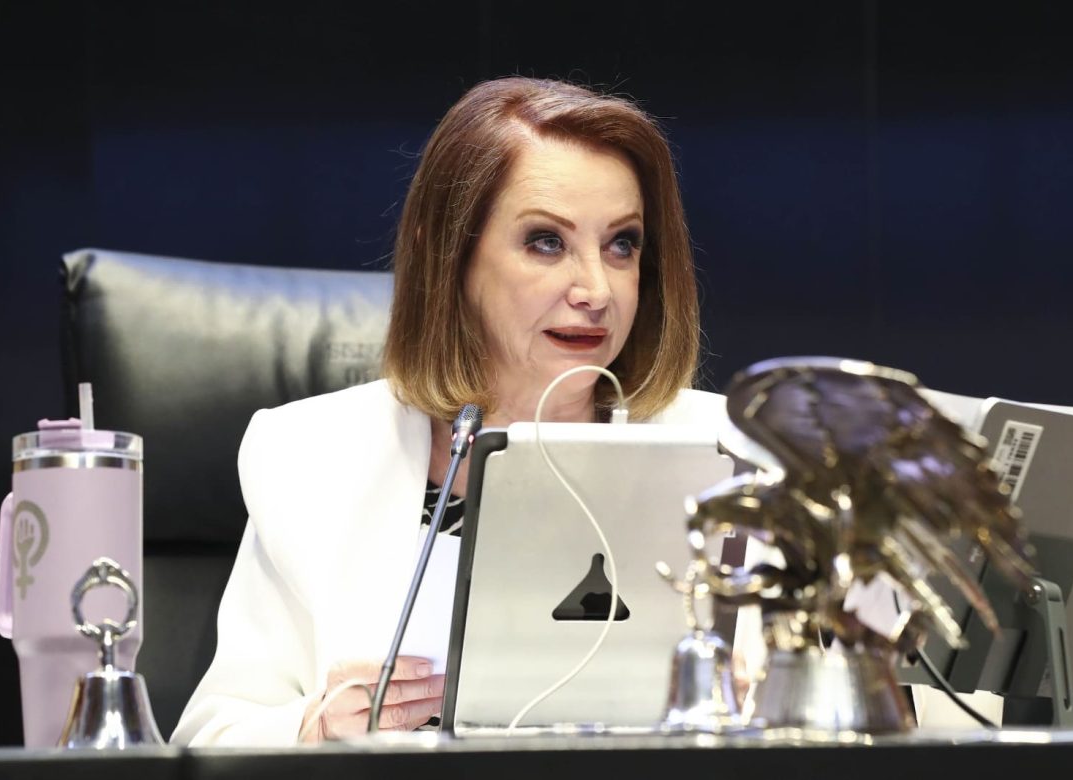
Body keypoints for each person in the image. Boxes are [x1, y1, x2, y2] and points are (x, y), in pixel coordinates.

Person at [171, 76, 728, 746]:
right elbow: (210, 739)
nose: (596, 290)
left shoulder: (726, 458)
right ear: (449, 254)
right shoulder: (311, 457)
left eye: (622, 244)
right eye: (546, 242)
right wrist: (315, 728)